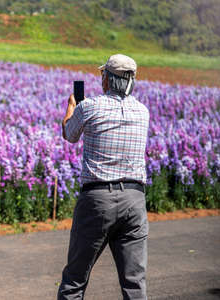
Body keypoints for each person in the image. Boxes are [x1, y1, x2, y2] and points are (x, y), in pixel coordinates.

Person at [58, 54, 150, 300]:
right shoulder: (143, 112)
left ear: (107, 80)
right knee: (134, 282)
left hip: (98, 200)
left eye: (103, 75)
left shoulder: (89, 107)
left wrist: (71, 109)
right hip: (135, 198)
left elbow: (69, 134)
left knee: (75, 279)